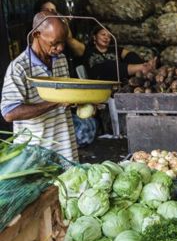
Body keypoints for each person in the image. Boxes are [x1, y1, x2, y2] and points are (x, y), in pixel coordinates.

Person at [1, 11, 78, 160]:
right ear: (36, 34)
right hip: (36, 156)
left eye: (63, 42)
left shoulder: (60, 59)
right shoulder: (19, 68)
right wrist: (56, 102)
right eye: (54, 43)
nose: (60, 48)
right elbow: (9, 113)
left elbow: (65, 100)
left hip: (65, 149)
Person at [77, 26, 156, 81]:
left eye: (109, 36)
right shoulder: (87, 49)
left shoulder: (114, 49)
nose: (106, 38)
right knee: (108, 65)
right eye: (103, 34)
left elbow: (130, 55)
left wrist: (141, 62)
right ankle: (142, 67)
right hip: (99, 79)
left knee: (130, 56)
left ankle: (145, 66)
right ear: (95, 37)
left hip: (117, 79)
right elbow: (70, 40)